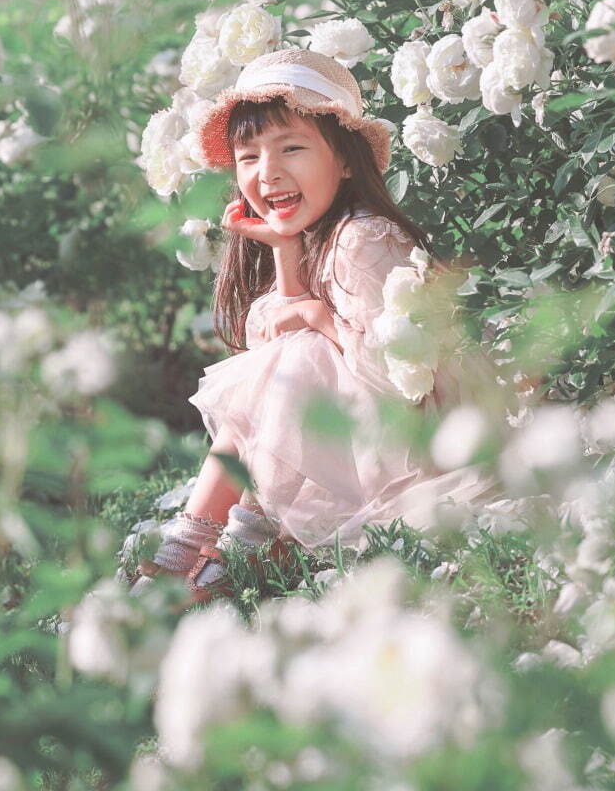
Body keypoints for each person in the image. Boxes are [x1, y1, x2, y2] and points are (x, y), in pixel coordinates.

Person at [131, 46, 513, 604]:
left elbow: (401, 374)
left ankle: (193, 547)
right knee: (285, 362)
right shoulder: (322, 235)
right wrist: (285, 252)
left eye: (292, 148)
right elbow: (286, 342)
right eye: (249, 156)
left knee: (291, 363)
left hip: (422, 439)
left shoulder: (364, 238)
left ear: (346, 159)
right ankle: (236, 548)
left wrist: (314, 314)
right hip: (376, 434)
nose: (268, 173)